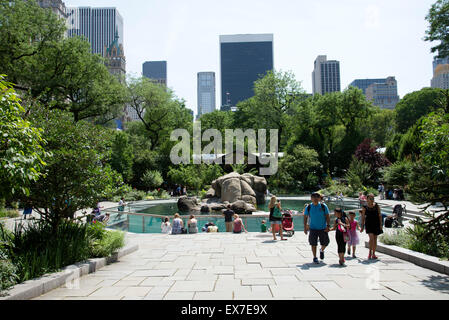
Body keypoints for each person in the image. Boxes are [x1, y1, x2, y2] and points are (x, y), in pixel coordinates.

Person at [304, 192, 331, 264]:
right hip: (313, 228)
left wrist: (328, 226)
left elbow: (327, 216)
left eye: (317, 197)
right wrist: (305, 227)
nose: (315, 198)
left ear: (319, 198)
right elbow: (305, 217)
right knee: (313, 243)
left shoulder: (323, 206)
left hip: (323, 228)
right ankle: (315, 257)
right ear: (311, 198)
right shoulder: (309, 207)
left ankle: (321, 250)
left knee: (326, 242)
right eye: (313, 197)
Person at [361, 194, 383, 260]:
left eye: (373, 198)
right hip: (369, 224)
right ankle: (370, 253)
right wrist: (362, 226)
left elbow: (380, 215)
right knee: (371, 238)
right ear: (367, 199)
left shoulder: (376, 206)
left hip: (376, 223)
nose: (372, 199)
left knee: (375, 239)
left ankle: (373, 253)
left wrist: (381, 225)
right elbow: (363, 217)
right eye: (370, 198)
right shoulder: (364, 207)